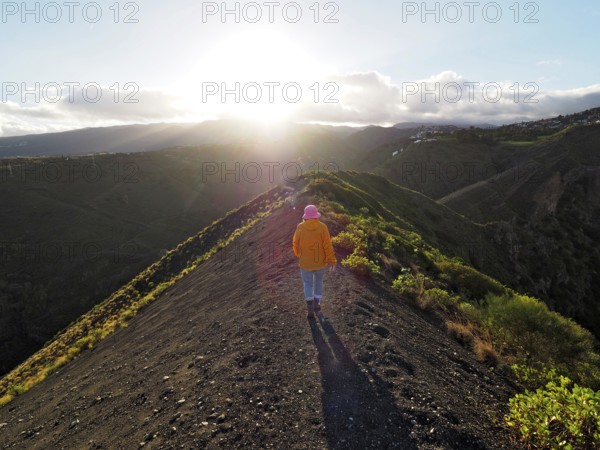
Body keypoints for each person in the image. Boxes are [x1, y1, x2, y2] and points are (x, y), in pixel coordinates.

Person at [292, 204, 337, 319]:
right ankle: (317, 305)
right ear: (316, 215)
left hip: (305, 263)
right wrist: (331, 259)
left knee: (308, 284)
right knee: (318, 282)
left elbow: (295, 244)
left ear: (305, 216)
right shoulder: (323, 227)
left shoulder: (300, 227)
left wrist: (299, 255)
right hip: (320, 262)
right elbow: (327, 245)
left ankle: (309, 307)